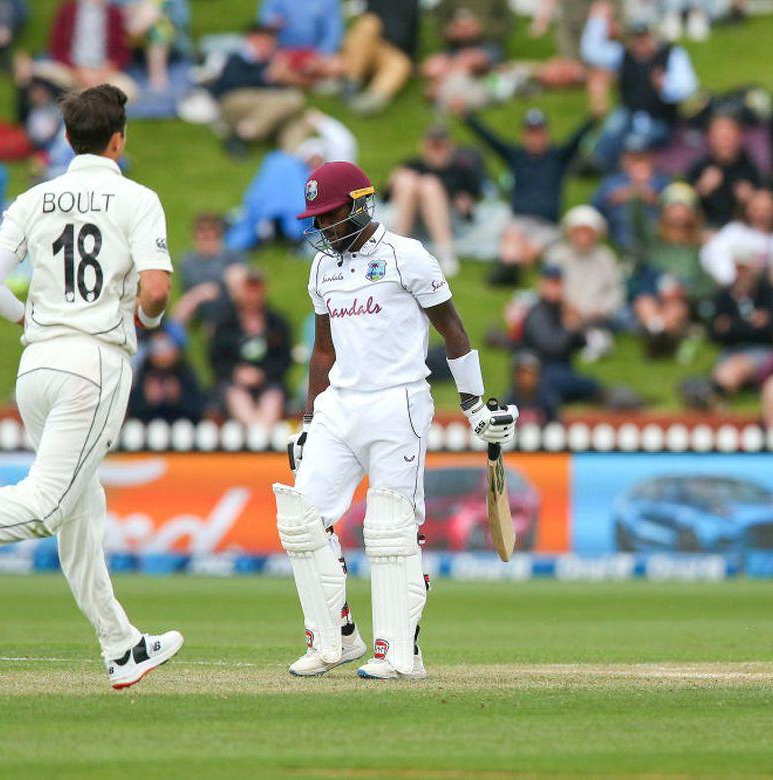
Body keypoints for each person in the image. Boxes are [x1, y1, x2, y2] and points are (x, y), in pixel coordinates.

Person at [0, 85, 183, 689]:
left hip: (37, 369)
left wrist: (29, 319)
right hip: (95, 364)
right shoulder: (138, 199)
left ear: (65, 138)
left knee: (82, 510)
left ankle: (122, 646)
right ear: (118, 140)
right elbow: (155, 292)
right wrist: (150, 320)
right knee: (53, 504)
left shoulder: (35, 198)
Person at [280, 160, 518, 680]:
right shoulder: (322, 267)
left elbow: (453, 331)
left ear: (361, 204)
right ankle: (335, 639)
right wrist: (307, 421)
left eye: (330, 214)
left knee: (391, 531)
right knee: (300, 519)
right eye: (315, 218)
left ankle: (401, 654)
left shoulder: (407, 256)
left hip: (397, 403)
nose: (322, 227)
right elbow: (323, 352)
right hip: (339, 407)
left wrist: (473, 402)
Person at [463, 107, 595, 285]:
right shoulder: (517, 157)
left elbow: (577, 139)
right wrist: (467, 117)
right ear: (524, 135)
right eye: (531, 132)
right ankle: (510, 267)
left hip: (547, 226)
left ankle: (510, 269)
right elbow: (491, 140)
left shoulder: (557, 158)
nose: (535, 137)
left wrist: (594, 118)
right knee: (512, 236)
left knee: (531, 249)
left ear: (546, 134)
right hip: (520, 221)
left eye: (539, 132)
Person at [583, 9, 698, 170]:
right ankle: (597, 164)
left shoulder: (672, 55)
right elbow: (591, 51)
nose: (640, 43)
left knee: (635, 144)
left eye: (644, 38)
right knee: (608, 138)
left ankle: (624, 170)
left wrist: (665, 85)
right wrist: (598, 18)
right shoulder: (622, 54)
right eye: (636, 38)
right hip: (628, 113)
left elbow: (688, 88)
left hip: (660, 118)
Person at [629, 182, 713, 356]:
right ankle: (659, 336)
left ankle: (659, 338)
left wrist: (686, 292)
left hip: (680, 301)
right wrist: (640, 194)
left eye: (684, 208)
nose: (679, 214)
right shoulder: (652, 239)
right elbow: (636, 222)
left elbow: (708, 284)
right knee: (644, 303)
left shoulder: (699, 246)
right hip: (652, 294)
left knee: (675, 309)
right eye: (674, 207)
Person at [387, 124, 482, 274]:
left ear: (450, 147)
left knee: (429, 185)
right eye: (433, 146)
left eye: (441, 146)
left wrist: (466, 201)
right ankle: (397, 250)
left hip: (447, 220)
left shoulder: (460, 171)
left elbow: (474, 199)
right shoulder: (412, 165)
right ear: (424, 146)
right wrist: (395, 181)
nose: (437, 151)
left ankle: (446, 252)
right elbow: (385, 196)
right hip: (413, 217)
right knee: (406, 179)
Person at [208, 269, 292, 427]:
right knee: (236, 396)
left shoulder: (277, 323)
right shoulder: (224, 323)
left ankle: (258, 436)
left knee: (272, 397)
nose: (252, 295)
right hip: (233, 383)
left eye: (257, 289)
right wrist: (236, 372)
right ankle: (257, 435)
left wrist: (262, 374)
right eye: (248, 289)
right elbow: (215, 359)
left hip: (269, 382)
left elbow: (285, 359)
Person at [705, 249, 773, 401]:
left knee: (737, 366)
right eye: (739, 267)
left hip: (763, 351)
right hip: (731, 351)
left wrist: (732, 326)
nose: (742, 272)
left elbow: (771, 329)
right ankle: (714, 393)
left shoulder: (770, 293)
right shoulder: (724, 295)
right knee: (732, 364)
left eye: (745, 267)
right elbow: (713, 332)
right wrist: (752, 324)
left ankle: (714, 394)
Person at [700, 175, 773, 291]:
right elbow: (713, 253)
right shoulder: (735, 232)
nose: (761, 215)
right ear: (748, 210)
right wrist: (731, 278)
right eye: (757, 209)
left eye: (767, 210)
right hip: (734, 286)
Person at [206, 23, 304, 155]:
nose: (271, 46)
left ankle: (293, 158)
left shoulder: (268, 62)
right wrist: (266, 76)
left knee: (291, 118)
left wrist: (282, 75)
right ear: (253, 39)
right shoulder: (237, 58)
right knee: (293, 99)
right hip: (234, 102)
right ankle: (244, 134)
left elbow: (281, 89)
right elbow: (230, 84)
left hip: (264, 107)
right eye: (267, 41)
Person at [520, 265, 603, 405]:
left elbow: (581, 345)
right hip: (541, 371)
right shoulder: (537, 313)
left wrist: (578, 326)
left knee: (591, 383)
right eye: (550, 283)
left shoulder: (563, 310)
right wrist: (568, 328)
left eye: (557, 283)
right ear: (541, 285)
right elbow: (551, 347)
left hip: (564, 369)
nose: (554, 288)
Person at [33, 0, 138, 100]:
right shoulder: (69, 10)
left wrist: (105, 70)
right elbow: (57, 47)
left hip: (103, 74)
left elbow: (123, 52)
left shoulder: (114, 14)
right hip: (71, 71)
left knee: (128, 90)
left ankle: (81, 96)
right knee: (40, 71)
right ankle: (88, 96)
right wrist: (78, 72)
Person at [544, 205, 624, 325]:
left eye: (588, 232)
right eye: (579, 231)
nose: (583, 237)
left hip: (597, 315)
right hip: (563, 311)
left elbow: (615, 290)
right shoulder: (556, 255)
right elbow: (549, 286)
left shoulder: (606, 257)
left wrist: (601, 309)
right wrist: (566, 306)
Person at [591, 139, 671, 254]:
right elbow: (594, 207)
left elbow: (675, 209)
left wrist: (653, 198)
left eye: (641, 157)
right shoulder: (612, 181)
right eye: (633, 157)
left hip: (654, 229)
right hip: (620, 229)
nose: (637, 162)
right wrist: (612, 199)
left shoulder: (662, 181)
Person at [421, 0, 511, 101]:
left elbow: (507, 24)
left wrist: (481, 29)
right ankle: (449, 88)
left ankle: (443, 90)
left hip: (487, 46)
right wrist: (452, 31)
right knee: (430, 68)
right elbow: (441, 25)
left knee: (466, 61)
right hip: (456, 47)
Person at [173, 212, 248, 331]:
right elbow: (191, 286)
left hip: (229, 299)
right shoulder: (188, 261)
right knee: (191, 299)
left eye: (211, 235)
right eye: (202, 235)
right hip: (201, 301)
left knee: (236, 276)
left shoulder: (232, 255)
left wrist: (217, 287)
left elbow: (242, 280)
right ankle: (173, 334)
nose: (206, 239)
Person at [340, 0, 418, 114]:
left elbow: (411, 40)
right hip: (369, 47)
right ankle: (350, 83)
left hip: (391, 53)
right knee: (368, 24)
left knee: (401, 63)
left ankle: (373, 99)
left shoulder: (412, 4)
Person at [686, 112, 761, 229]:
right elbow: (680, 207)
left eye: (729, 137)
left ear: (739, 137)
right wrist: (701, 189)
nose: (725, 142)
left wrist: (752, 201)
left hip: (743, 229)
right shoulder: (698, 168)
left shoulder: (752, 169)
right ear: (709, 138)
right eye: (720, 137)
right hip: (705, 229)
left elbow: (768, 209)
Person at [259, 0, 344, 88]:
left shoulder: (329, 2)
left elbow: (333, 32)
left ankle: (301, 81)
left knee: (338, 67)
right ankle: (314, 84)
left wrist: (321, 56)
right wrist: (274, 24)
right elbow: (265, 24)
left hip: (314, 53)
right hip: (285, 52)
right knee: (274, 73)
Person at [129, 328, 204, 422]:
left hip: (180, 424)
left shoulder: (184, 372)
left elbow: (199, 406)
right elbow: (131, 407)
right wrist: (146, 398)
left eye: (166, 347)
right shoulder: (145, 372)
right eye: (157, 348)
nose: (161, 354)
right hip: (147, 425)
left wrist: (179, 397)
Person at [505, 350, 560, 425]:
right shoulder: (510, 401)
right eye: (521, 374)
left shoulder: (547, 399)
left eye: (530, 374)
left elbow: (556, 423)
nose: (525, 379)